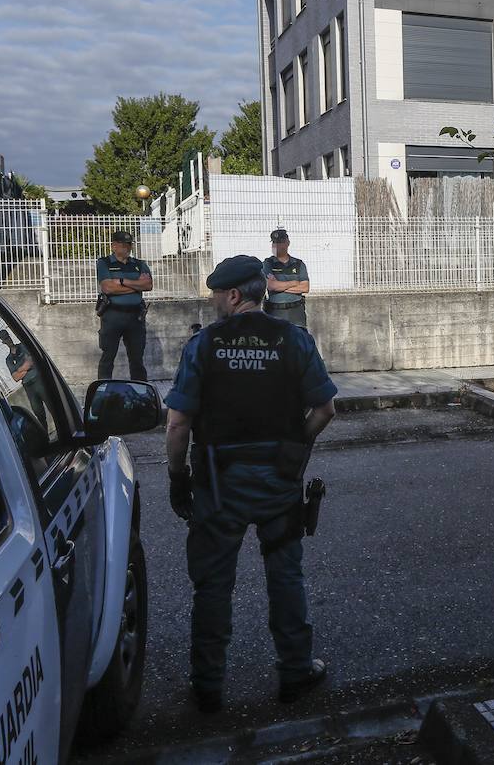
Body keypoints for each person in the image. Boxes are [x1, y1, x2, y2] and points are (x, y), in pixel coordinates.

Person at [164, 255, 338, 714]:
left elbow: (178, 423)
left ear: (234, 295)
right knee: (285, 576)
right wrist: (291, 450)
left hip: (219, 486)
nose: (214, 301)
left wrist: (177, 478)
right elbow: (324, 410)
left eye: (217, 294)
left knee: (213, 586)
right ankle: (295, 672)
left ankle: (207, 686)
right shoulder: (294, 340)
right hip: (278, 483)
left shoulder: (204, 345)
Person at [96, 230, 152, 381]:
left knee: (137, 359)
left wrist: (122, 281)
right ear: (114, 246)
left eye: (129, 244)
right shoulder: (104, 263)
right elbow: (107, 288)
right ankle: (103, 389)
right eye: (123, 245)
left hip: (135, 317)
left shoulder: (139, 264)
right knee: (108, 357)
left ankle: (140, 390)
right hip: (113, 315)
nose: (127, 248)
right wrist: (136, 286)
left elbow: (148, 285)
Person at [0, 330, 49, 430]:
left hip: (37, 380)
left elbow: (31, 362)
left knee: (51, 404)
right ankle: (45, 437)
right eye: (5, 339)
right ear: (3, 342)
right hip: (28, 387)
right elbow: (15, 377)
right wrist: (25, 367)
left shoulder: (22, 347)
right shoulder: (9, 359)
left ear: (10, 336)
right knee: (38, 412)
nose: (8, 340)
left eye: (8, 337)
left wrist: (19, 370)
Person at [264, 229, 311, 328]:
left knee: (298, 342)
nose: (277, 245)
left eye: (280, 242)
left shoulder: (298, 264)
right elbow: (271, 286)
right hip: (275, 313)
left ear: (287, 243)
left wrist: (279, 286)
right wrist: (294, 282)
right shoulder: (268, 263)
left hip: (296, 313)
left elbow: (305, 288)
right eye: (274, 242)